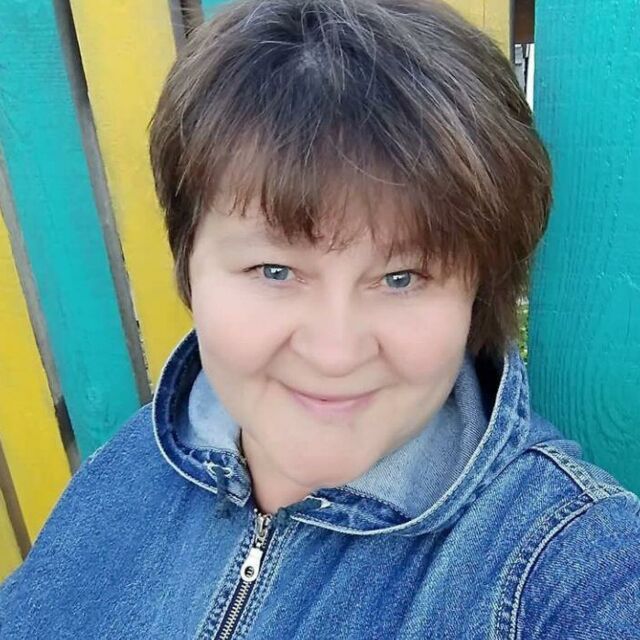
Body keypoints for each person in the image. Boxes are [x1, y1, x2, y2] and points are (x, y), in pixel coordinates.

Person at [1, 0, 639, 637]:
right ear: (188, 264)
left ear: (477, 291)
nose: (335, 354)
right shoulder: (136, 459)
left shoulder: (565, 565)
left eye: (401, 278)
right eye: (275, 271)